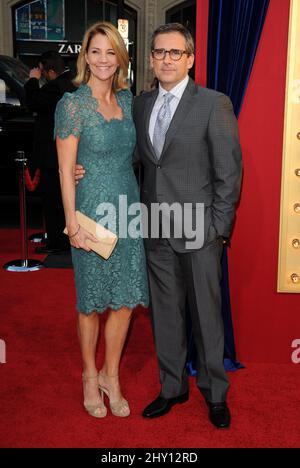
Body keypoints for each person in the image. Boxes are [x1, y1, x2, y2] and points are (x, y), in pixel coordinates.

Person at [76, 23, 242, 428]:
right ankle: (172, 388)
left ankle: (215, 394)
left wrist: (218, 229)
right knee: (166, 315)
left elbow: (230, 172)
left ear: (190, 59)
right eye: (160, 52)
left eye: (175, 53)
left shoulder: (214, 103)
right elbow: (127, 157)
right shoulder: (140, 104)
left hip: (199, 230)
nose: (167, 59)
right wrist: (86, 168)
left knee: (206, 315)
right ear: (150, 59)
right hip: (151, 228)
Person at [54, 22, 149, 419]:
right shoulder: (71, 105)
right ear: (85, 57)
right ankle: (90, 377)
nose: (103, 60)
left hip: (128, 210)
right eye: (96, 52)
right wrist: (72, 222)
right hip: (91, 211)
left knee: (125, 301)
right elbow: (64, 169)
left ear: (120, 58)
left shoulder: (128, 102)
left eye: (111, 52)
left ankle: (112, 375)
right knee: (91, 302)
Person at [24, 51, 76, 254]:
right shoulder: (68, 84)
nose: (41, 75)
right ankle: (57, 240)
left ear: (51, 70)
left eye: (43, 71)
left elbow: (32, 102)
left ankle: (58, 243)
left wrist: (32, 80)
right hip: (59, 154)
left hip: (52, 155)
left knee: (53, 202)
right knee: (58, 201)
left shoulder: (56, 87)